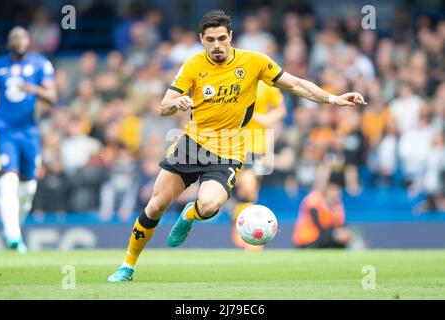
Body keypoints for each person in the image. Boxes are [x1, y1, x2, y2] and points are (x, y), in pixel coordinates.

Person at [108, 9, 366, 282]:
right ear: (201, 39)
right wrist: (177, 103)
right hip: (191, 145)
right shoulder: (193, 66)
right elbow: (163, 106)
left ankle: (189, 214)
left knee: (207, 206)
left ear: (231, 36)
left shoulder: (254, 62)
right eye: (210, 40)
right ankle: (128, 265)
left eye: (221, 38)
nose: (217, 45)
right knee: (155, 206)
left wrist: (334, 100)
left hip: (228, 151)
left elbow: (296, 84)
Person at [0, 27, 57, 252]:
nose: (18, 41)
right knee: (8, 181)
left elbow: (52, 96)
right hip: (3, 131)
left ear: (29, 41)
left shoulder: (40, 64)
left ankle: (15, 231)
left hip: (30, 132)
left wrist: (33, 89)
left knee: (28, 189)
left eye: (22, 37)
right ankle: (12, 235)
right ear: (8, 42)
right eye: (14, 37)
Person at [230, 80, 286, 251]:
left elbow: (280, 110)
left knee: (248, 186)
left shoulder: (266, 85)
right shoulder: (232, 83)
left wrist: (263, 118)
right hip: (232, 143)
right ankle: (244, 233)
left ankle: (248, 238)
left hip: (258, 147)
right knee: (240, 190)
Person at [292, 182, 353, 249]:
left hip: (322, 235)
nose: (335, 193)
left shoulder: (337, 204)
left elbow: (340, 223)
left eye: (337, 190)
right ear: (327, 190)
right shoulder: (314, 199)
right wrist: (335, 233)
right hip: (308, 238)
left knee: (342, 238)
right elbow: (318, 224)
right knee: (335, 238)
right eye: (332, 190)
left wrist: (343, 232)